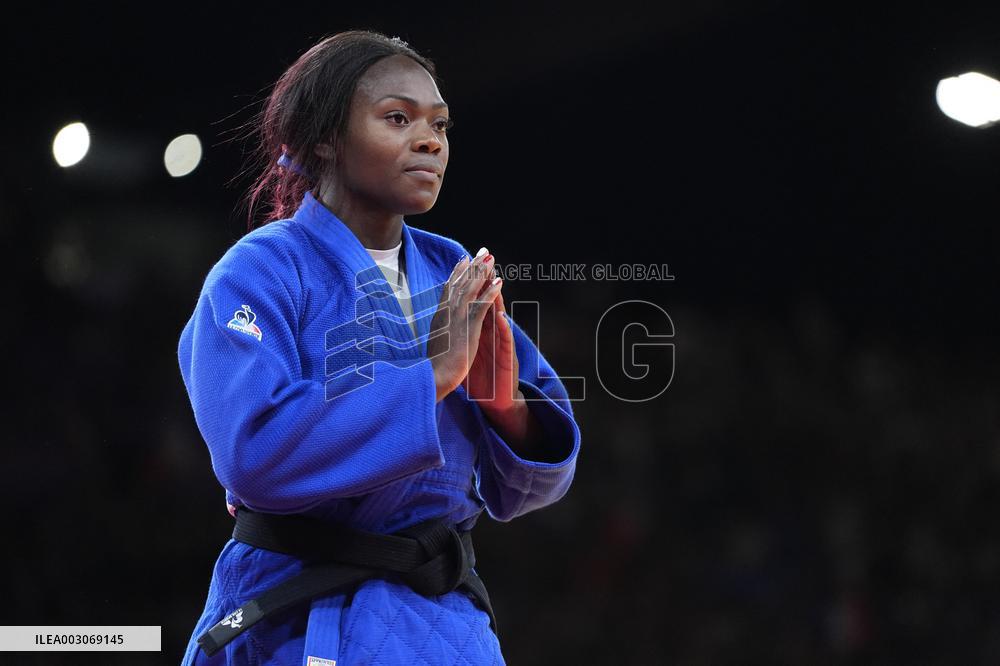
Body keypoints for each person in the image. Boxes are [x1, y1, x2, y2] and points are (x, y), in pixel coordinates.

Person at [177, 30, 581, 665]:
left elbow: (539, 483)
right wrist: (434, 375)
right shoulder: (259, 272)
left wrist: (505, 407)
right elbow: (252, 454)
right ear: (323, 139)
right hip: (298, 616)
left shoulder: (450, 265)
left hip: (446, 626)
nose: (430, 141)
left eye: (440, 126)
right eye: (398, 118)